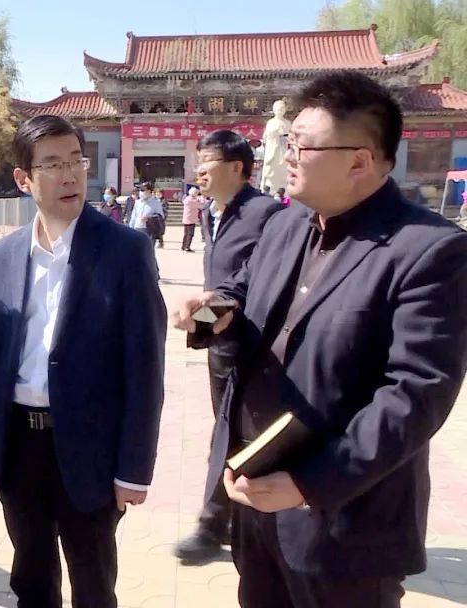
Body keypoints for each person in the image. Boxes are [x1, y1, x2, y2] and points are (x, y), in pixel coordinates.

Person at [173, 70, 467, 607]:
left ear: (359, 160)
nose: (284, 157)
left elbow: (416, 395)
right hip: (257, 498)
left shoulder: (429, 251)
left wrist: (312, 483)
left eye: (300, 146)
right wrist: (212, 313)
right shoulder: (286, 225)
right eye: (285, 142)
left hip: (345, 521)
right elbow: (243, 292)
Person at [0, 115, 166, 608]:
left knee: (93, 582)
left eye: (77, 161)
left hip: (91, 451)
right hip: (19, 447)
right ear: (24, 179)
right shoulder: (4, 254)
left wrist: (134, 469)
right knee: (31, 580)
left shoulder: (126, 250)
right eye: (52, 165)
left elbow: (145, 369)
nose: (70, 174)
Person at [173, 129, 283, 566]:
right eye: (197, 161)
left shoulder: (266, 214)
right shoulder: (212, 212)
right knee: (228, 429)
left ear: (237, 167)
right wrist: (199, 325)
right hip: (221, 341)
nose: (198, 170)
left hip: (254, 345)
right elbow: (222, 285)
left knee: (239, 432)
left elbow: (249, 283)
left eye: (207, 161)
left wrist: (206, 318)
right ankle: (231, 520)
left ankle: (214, 524)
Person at [129, 182, 165, 248]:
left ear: (149, 191)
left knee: (147, 250)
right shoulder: (138, 202)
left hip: (149, 230)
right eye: (140, 190)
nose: (141, 192)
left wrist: (149, 218)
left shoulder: (156, 203)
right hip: (137, 228)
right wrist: (130, 230)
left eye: (143, 190)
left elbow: (161, 217)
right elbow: (133, 217)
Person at [181, 186, 201, 252]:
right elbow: (199, 205)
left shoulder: (187, 199)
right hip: (191, 219)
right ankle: (187, 247)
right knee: (190, 234)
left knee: (186, 233)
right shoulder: (194, 201)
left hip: (186, 218)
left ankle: (183, 246)